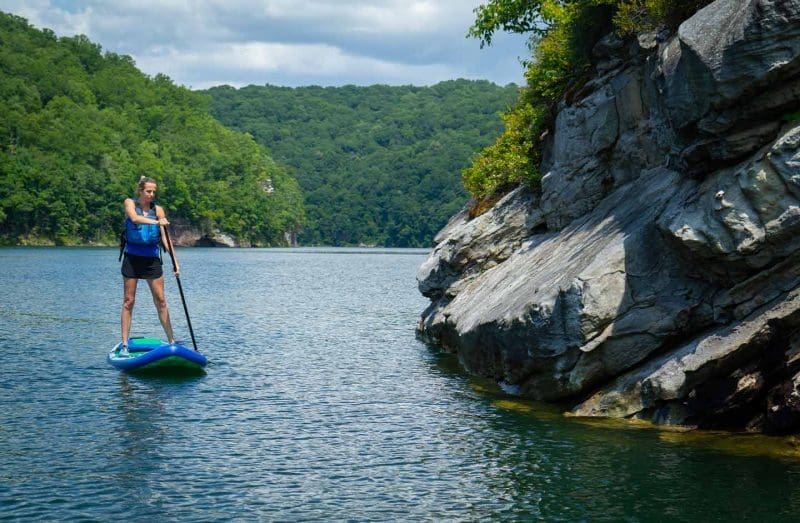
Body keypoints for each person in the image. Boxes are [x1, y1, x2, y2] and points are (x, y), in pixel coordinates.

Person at [119, 176, 180, 356]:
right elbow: (135, 219)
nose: (151, 194)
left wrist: (176, 263)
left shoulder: (158, 210)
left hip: (152, 259)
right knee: (129, 301)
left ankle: (171, 340)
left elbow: (165, 239)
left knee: (161, 300)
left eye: (154, 191)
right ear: (140, 191)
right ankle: (124, 345)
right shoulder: (130, 203)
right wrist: (156, 222)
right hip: (132, 258)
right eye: (148, 191)